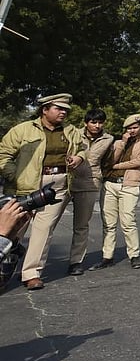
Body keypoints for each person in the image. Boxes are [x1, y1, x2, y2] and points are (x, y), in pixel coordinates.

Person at [0, 93, 84, 290]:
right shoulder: (23, 130)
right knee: (14, 229)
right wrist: (16, 176)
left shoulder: (71, 131)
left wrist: (79, 157)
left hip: (58, 184)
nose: (63, 112)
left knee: (43, 230)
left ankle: (32, 273)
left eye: (66, 109)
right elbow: (3, 155)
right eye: (58, 108)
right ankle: (4, 270)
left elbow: (81, 149)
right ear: (44, 110)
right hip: (26, 185)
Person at [90, 114, 140, 270]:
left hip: (129, 184)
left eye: (135, 127)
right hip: (110, 184)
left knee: (128, 221)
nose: (132, 131)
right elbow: (110, 160)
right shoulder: (118, 142)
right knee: (108, 223)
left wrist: (116, 167)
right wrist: (123, 142)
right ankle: (107, 256)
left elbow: (138, 162)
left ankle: (134, 255)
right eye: (129, 128)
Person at [67, 108, 114, 276]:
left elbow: (109, 160)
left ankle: (76, 261)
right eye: (93, 122)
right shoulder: (73, 133)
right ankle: (33, 265)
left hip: (90, 182)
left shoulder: (108, 139)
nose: (97, 125)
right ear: (86, 122)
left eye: (100, 122)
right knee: (47, 223)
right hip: (66, 180)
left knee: (81, 225)